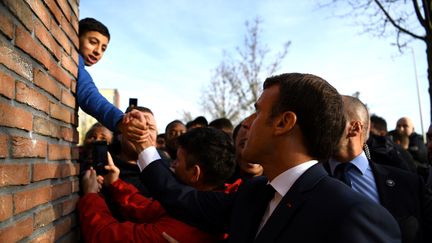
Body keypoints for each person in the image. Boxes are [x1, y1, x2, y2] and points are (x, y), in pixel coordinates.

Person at [126, 73, 401, 243]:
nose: (247, 123)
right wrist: (144, 146)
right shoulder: (254, 193)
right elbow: (180, 198)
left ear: (283, 123)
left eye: (257, 112)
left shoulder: (352, 215)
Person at [78, 127, 236, 243]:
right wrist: (115, 183)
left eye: (177, 160)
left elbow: (104, 236)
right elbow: (147, 208)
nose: (172, 165)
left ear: (195, 173)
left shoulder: (175, 233)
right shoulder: (202, 205)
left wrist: (91, 196)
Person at [329, 95, 432, 243]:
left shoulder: (410, 184)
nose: (321, 122)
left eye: (331, 115)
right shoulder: (305, 182)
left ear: (354, 128)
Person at [77, 17, 125, 132]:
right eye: (93, 42)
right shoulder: (73, 63)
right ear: (76, 38)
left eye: (103, 48)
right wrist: (121, 120)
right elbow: (89, 95)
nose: (98, 51)